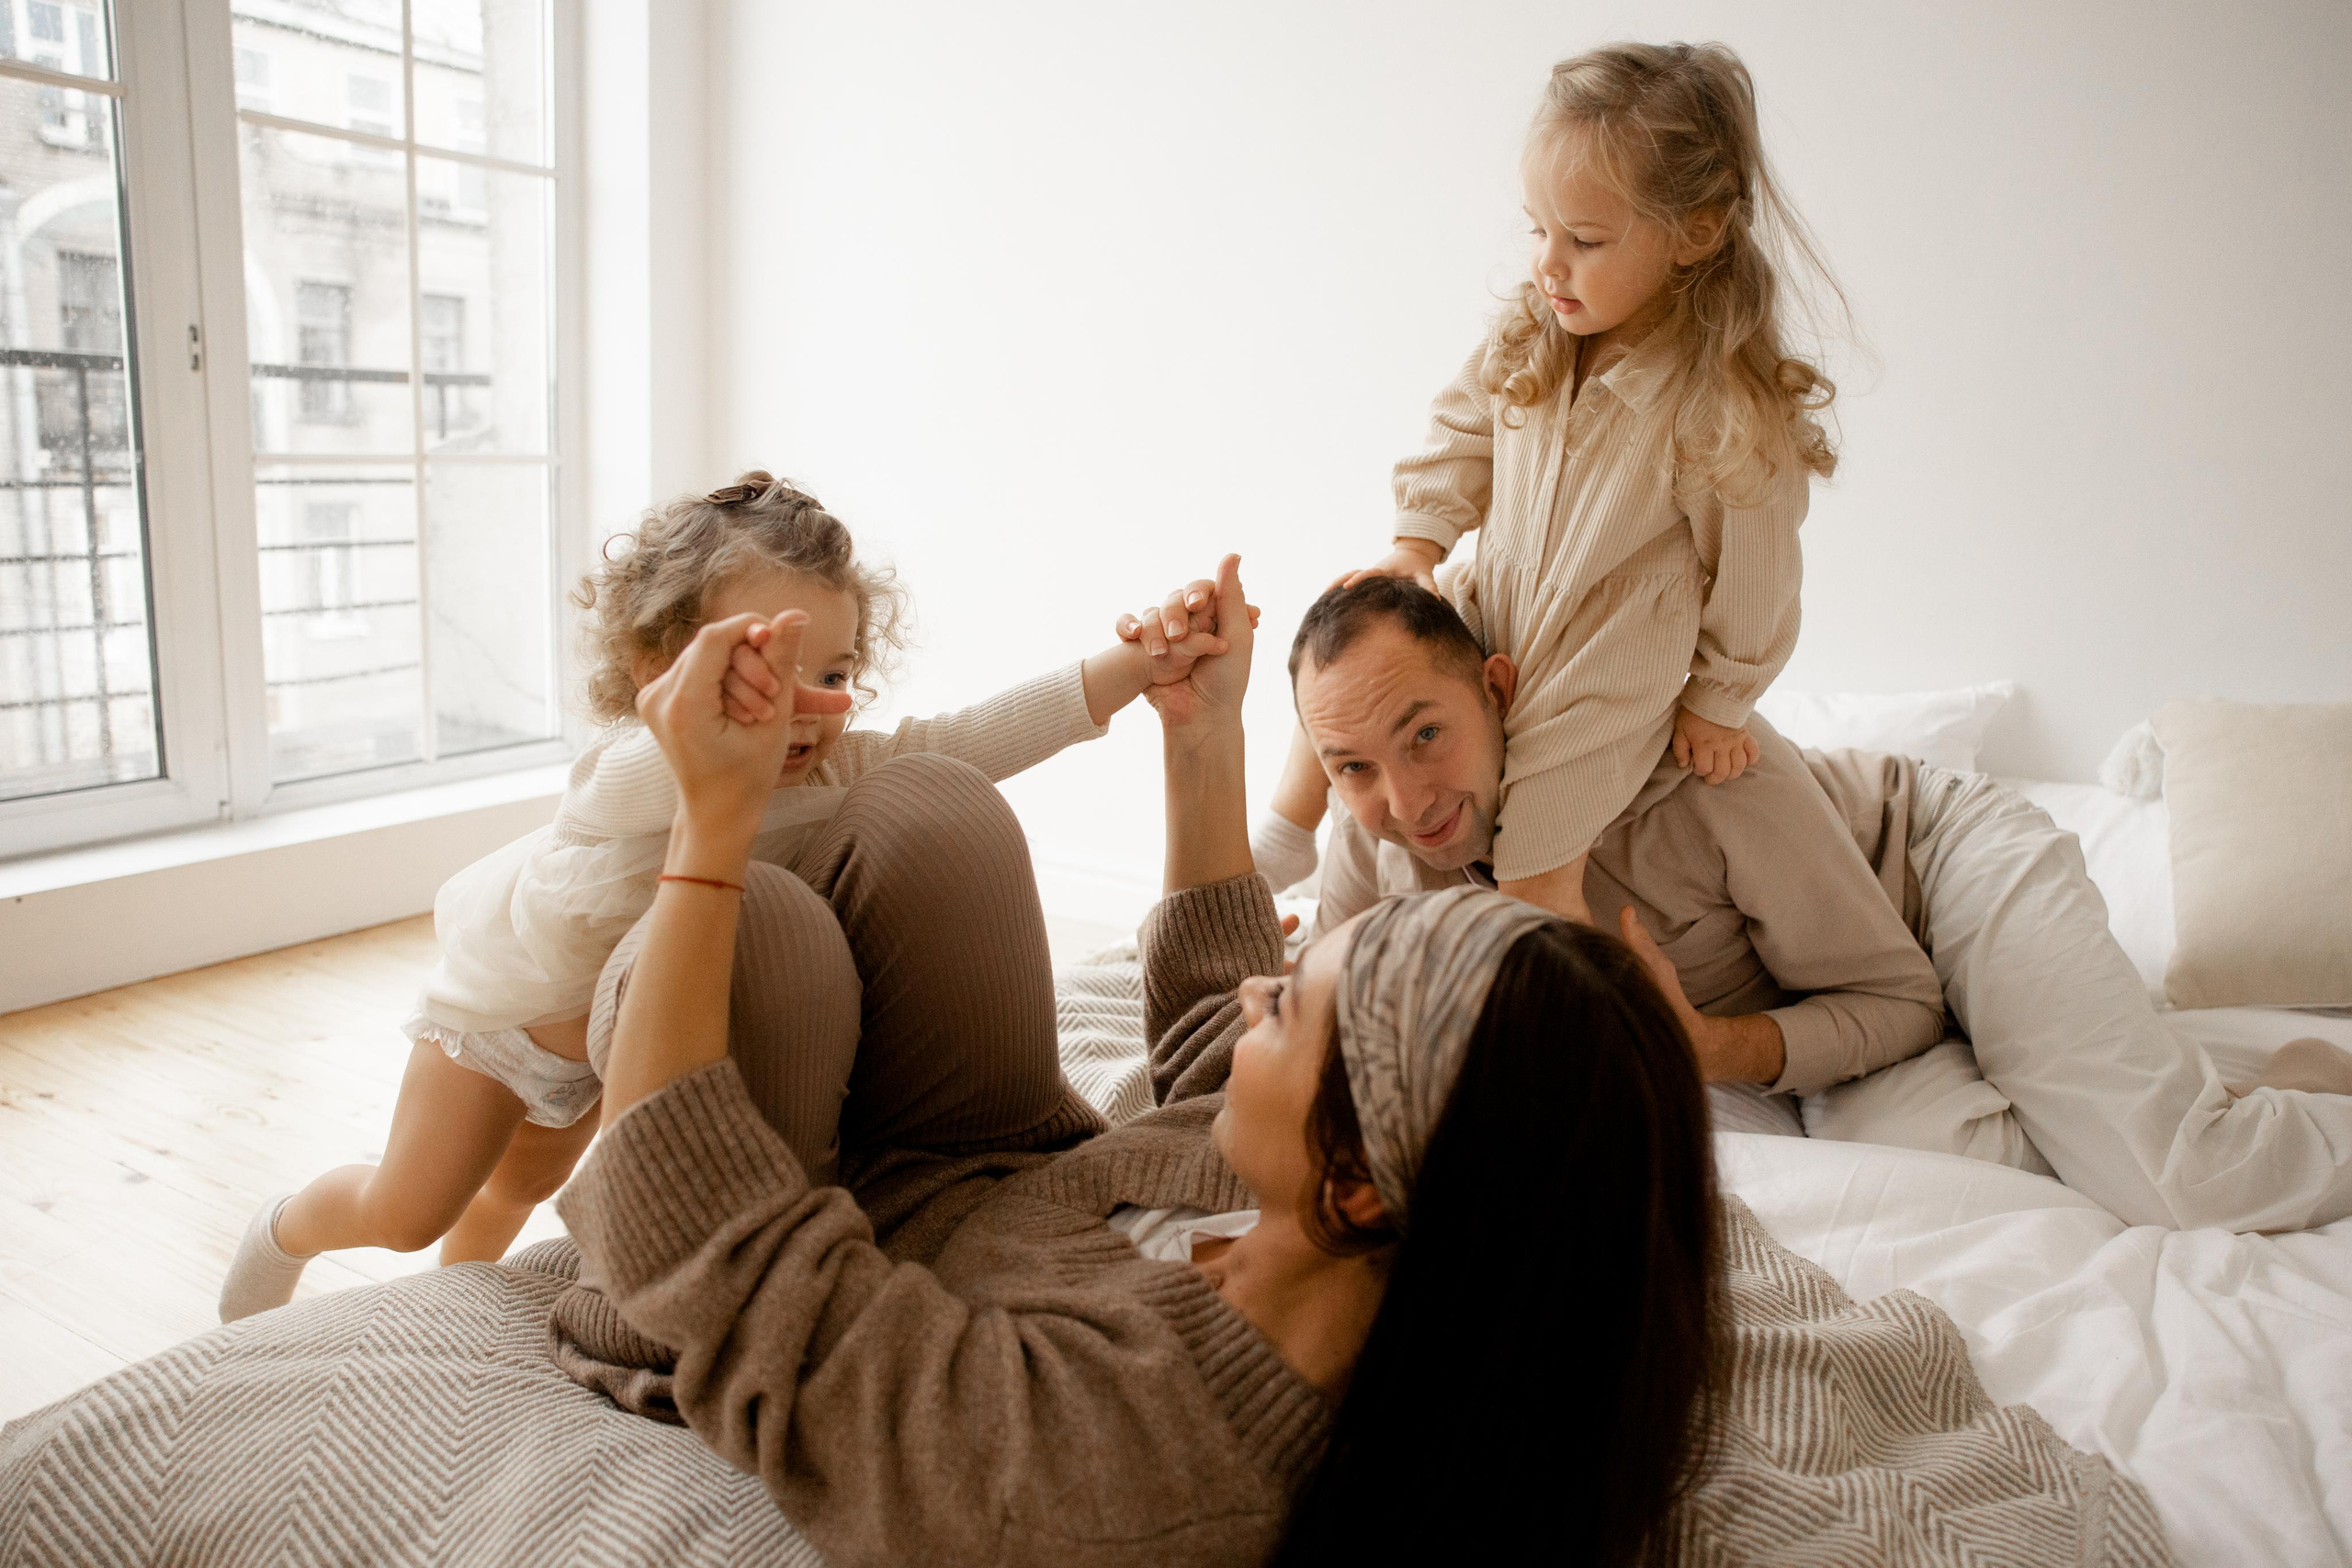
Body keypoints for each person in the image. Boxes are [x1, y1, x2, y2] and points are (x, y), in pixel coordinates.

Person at [547, 555, 1724, 1564]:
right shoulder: (1401, 1229)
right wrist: (1203, 732)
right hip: (984, 1175)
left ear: (1357, 1186)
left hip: (752, 1277)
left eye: (1289, 1005)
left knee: (761, 928)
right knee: (934, 809)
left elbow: (739, 1277)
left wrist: (710, 824)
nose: (1259, 991)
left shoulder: (1094, 1472)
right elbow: (1219, 1030)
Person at [219, 472, 1204, 1323]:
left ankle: (447, 1316)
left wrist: (1136, 666)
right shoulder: (632, 773)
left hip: (614, 1049)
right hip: (503, 1030)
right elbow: (674, 771)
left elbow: (970, 738)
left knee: (516, 1191)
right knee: (407, 1210)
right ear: (660, 670)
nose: (801, 707)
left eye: (833, 672)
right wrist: (707, 727)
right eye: (761, 669)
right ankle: (281, 1230)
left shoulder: (832, 769)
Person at [1271, 575, 2352, 1233]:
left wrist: (1706, 1049)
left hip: (1932, 876)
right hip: (1826, 989)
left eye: (1425, 734)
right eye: (1351, 766)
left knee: (2179, 1182)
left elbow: (1896, 999)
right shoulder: (1373, 842)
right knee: (1928, 1162)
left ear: (1497, 691)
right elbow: (1329, 1031)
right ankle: (2191, 1072)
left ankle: (2186, 1100)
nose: (1404, 801)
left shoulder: (1701, 776)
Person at [1286, 41, 1844, 923]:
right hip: (1499, 611)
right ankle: (1286, 824)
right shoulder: (1536, 331)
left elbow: (1757, 574)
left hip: (1599, 672)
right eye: (1538, 230)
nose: (1549, 263)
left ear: (1695, 233)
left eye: (1583, 240)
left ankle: (1583, 999)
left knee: (1532, 870)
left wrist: (1719, 699)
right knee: (1352, 644)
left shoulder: (1717, 405)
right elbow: (1464, 426)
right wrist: (1418, 540)